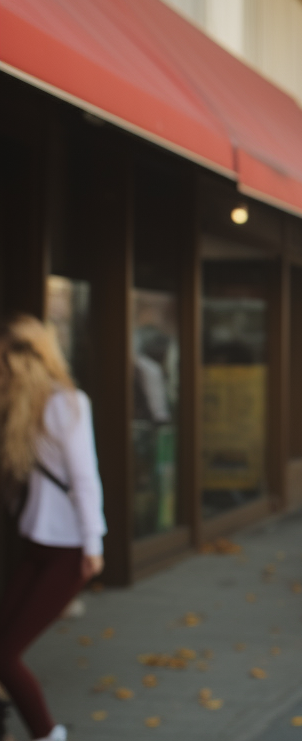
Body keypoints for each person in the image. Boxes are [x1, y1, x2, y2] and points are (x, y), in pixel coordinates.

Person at [0, 315, 106, 741]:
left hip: (67, 547)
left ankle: (48, 736)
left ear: (23, 359)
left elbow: (84, 477)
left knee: (5, 655)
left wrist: (93, 547)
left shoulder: (67, 403)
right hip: (38, 541)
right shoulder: (19, 404)